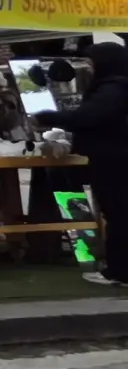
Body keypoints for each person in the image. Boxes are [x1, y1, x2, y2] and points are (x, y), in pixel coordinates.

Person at [59, 41, 128, 286]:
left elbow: (89, 117)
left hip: (113, 159)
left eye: (90, 63)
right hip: (115, 156)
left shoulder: (112, 89)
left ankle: (119, 271)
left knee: (118, 214)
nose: (87, 68)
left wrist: (49, 118)